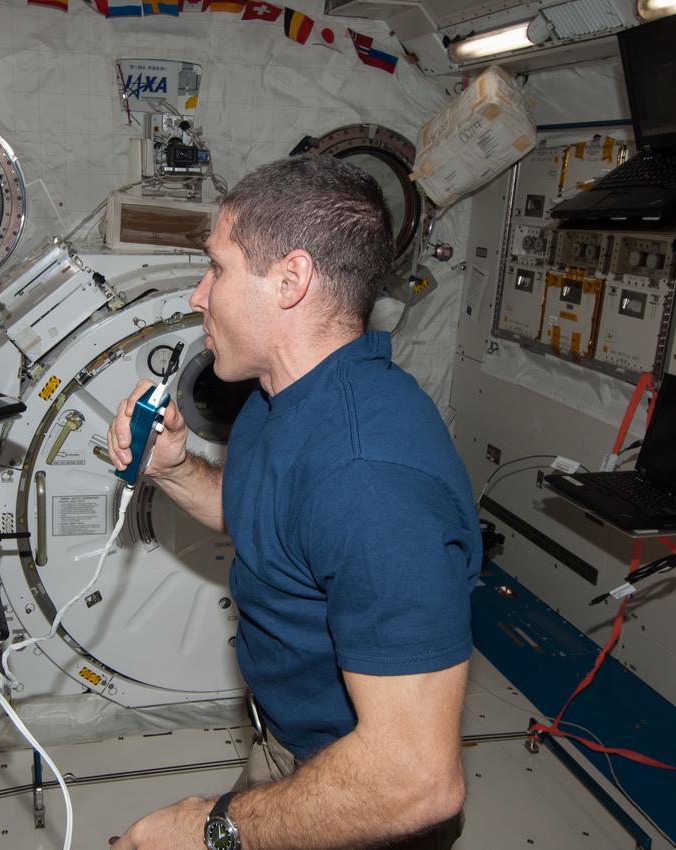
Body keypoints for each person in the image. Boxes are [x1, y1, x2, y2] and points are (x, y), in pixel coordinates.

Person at [106, 155, 482, 850]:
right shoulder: (280, 396)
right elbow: (265, 520)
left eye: (216, 268)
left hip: (360, 790)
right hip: (292, 744)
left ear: (291, 280)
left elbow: (416, 780)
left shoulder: (370, 480)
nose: (198, 295)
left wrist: (209, 829)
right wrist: (173, 468)